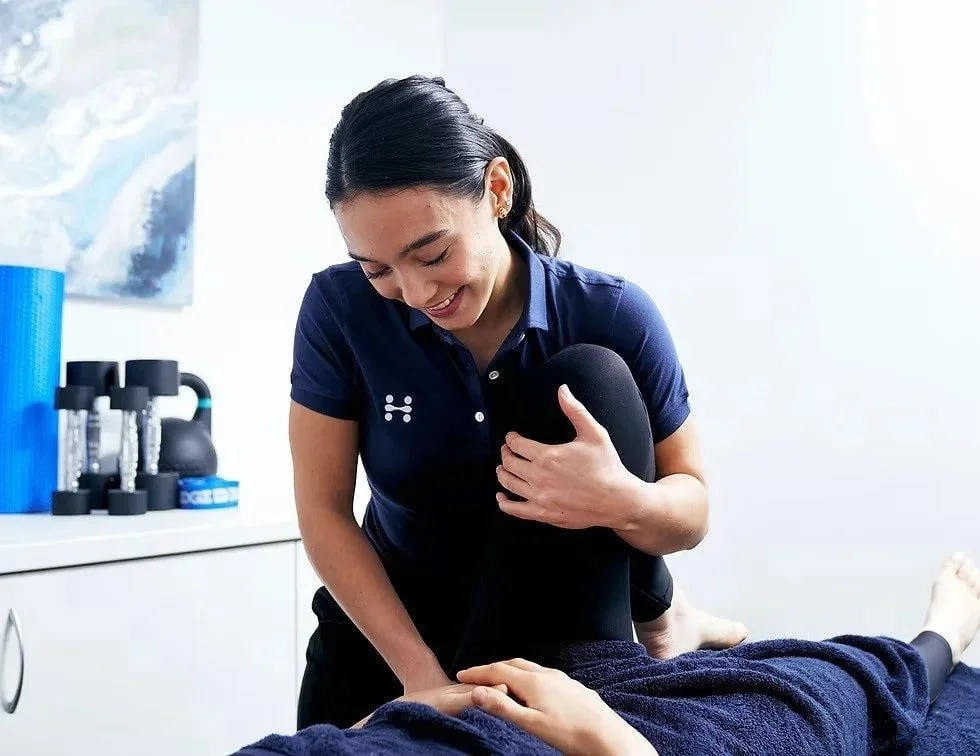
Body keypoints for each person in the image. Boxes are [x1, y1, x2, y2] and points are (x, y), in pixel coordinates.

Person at [289, 74, 748, 731]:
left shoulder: (610, 313)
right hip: (388, 623)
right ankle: (667, 612)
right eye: (378, 268)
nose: (415, 292)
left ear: (496, 190)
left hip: (542, 617)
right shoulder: (340, 310)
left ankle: (664, 609)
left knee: (592, 376)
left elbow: (691, 513)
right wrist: (419, 679)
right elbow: (323, 510)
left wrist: (620, 497)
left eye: (432, 253)